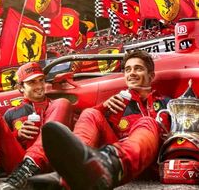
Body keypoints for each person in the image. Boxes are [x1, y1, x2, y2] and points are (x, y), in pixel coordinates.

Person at [41, 50, 171, 190]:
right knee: (91, 112)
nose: (131, 73)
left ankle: (105, 165)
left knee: (147, 122)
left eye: (138, 68)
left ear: (151, 76)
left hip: (149, 162)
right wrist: (103, 107)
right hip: (112, 165)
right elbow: (90, 123)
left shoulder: (166, 103)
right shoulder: (117, 103)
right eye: (127, 70)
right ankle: (74, 168)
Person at [0, 61, 73, 190]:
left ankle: (32, 167)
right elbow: (0, 145)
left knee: (62, 103)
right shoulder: (12, 113)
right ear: (20, 87)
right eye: (32, 82)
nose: (39, 86)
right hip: (19, 174)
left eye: (41, 80)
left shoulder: (58, 106)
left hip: (51, 167)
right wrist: (18, 135)